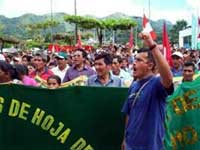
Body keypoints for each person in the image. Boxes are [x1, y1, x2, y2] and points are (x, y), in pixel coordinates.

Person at [121, 32, 174, 150]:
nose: (134, 63)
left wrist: (152, 45)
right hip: (130, 145)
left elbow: (168, 78)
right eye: (135, 59)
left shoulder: (156, 84)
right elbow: (129, 114)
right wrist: (125, 139)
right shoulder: (133, 86)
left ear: (150, 65)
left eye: (139, 60)